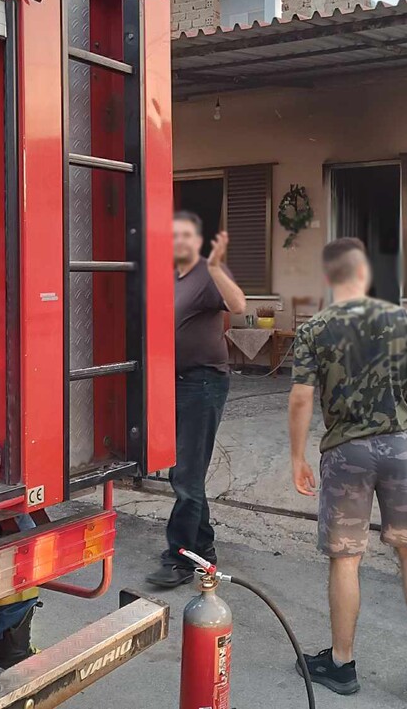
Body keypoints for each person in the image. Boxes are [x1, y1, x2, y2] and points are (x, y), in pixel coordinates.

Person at [288, 237, 407, 694]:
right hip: (399, 447)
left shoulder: (314, 329)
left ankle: (342, 664)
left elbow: (302, 398)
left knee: (346, 558)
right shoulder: (399, 318)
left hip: (346, 453)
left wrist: (297, 456)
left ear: (328, 277)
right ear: (364, 273)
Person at [146, 211, 246, 588]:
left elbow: (238, 305)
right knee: (184, 473)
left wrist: (217, 267)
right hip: (174, 382)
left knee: (187, 476)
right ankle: (202, 547)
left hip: (203, 383)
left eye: (187, 235)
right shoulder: (172, 277)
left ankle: (180, 560)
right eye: (173, 235)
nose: (180, 241)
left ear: (198, 240)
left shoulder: (207, 272)